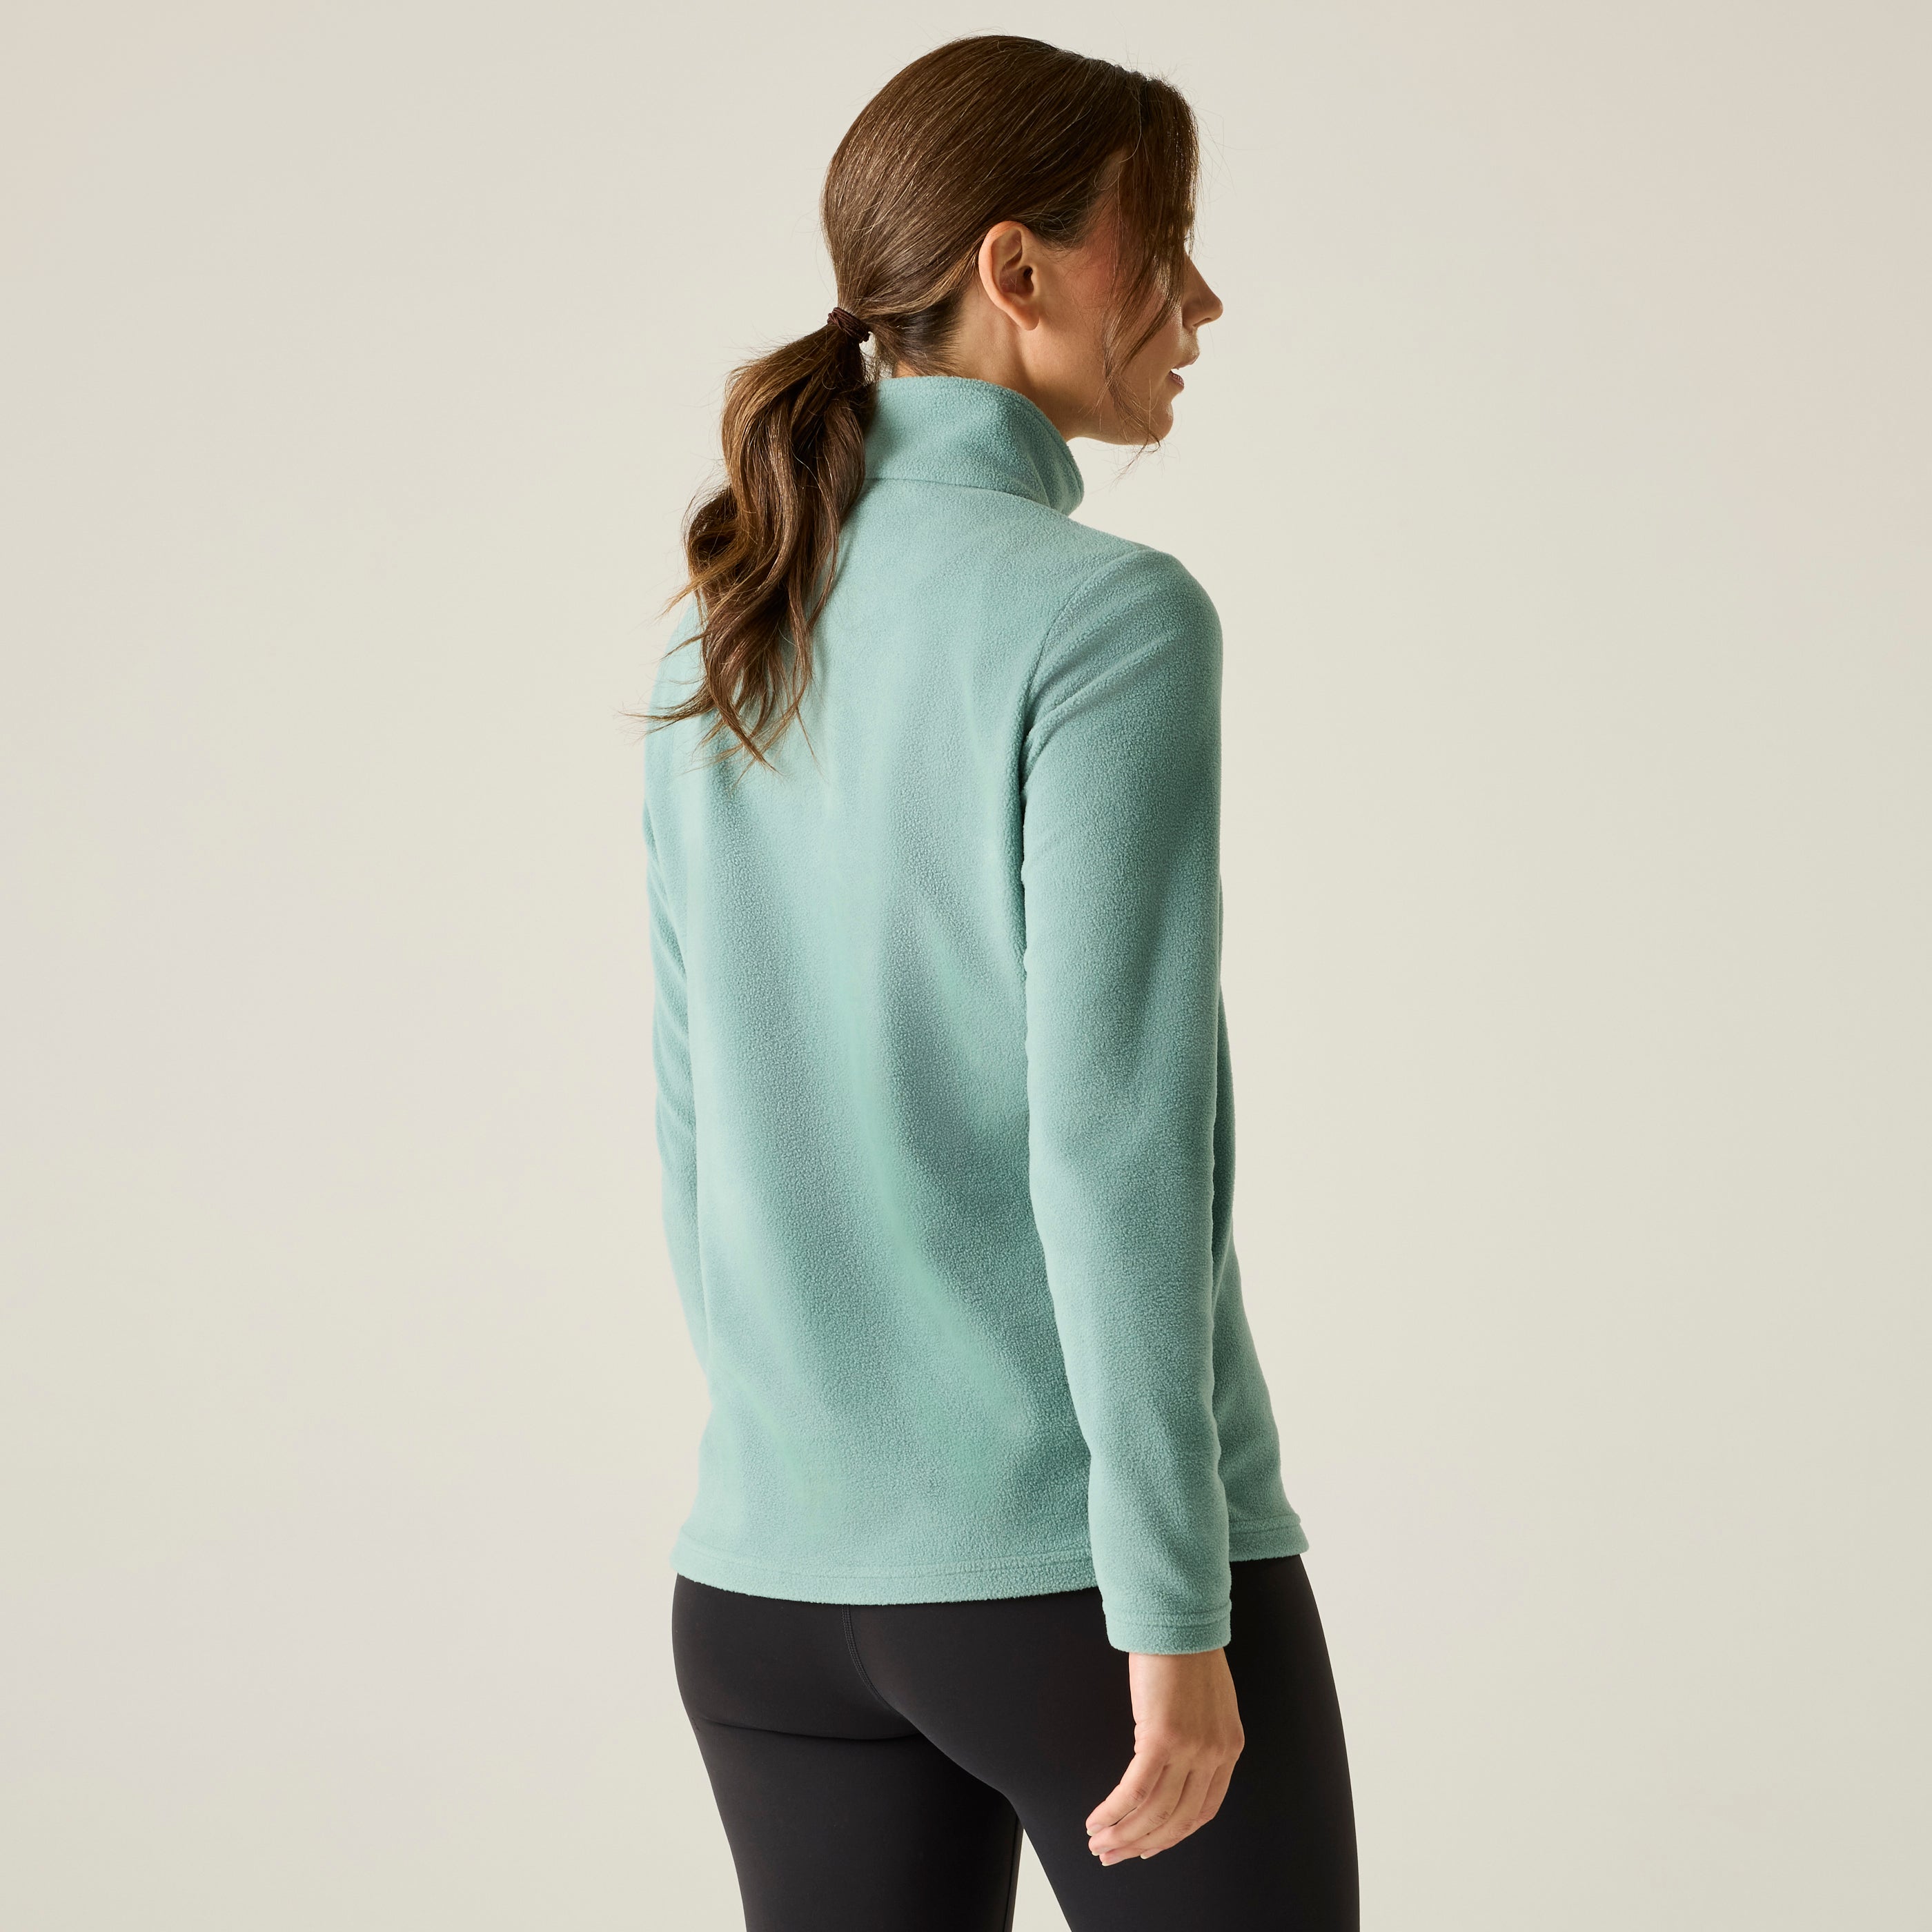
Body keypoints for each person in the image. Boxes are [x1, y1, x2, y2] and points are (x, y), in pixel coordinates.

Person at [640, 34, 1357, 1931]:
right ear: (1015, 269)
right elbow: (1116, 1143)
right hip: (1074, 1585)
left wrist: (814, 1474)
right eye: (1165, 243)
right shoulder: (1106, 619)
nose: (1204, 302)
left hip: (769, 1586)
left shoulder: (731, 626)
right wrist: (1173, 1614)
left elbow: (698, 1126)